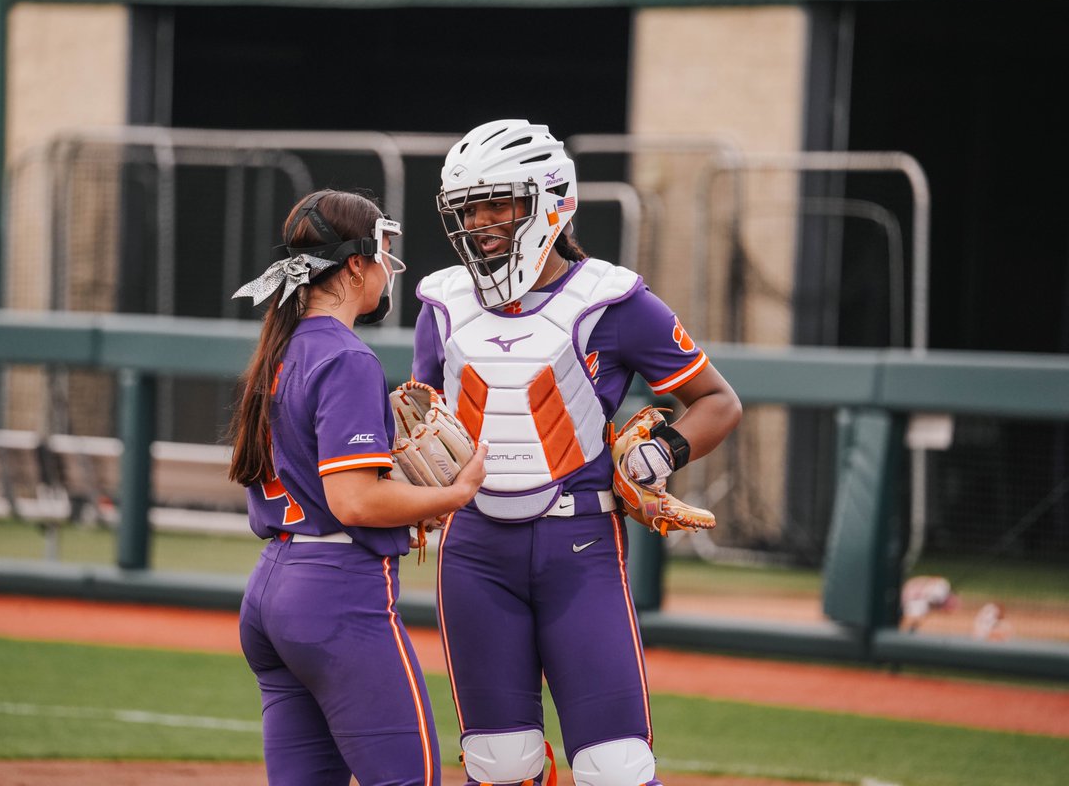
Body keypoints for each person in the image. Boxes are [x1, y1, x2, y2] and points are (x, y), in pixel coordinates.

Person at [412, 120, 742, 786]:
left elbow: (718, 401)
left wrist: (663, 452)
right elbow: (425, 417)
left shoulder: (614, 300)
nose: (480, 223)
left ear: (550, 203)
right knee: (500, 765)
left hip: (581, 546)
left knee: (614, 767)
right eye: (468, 207)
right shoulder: (440, 304)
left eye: (497, 203)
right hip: (474, 549)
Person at [228, 189, 488, 786]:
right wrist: (454, 493)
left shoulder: (281, 347)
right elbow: (356, 502)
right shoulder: (348, 358)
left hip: (273, 586)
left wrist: (403, 502)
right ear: (354, 264)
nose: (387, 268)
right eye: (383, 253)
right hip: (337, 596)